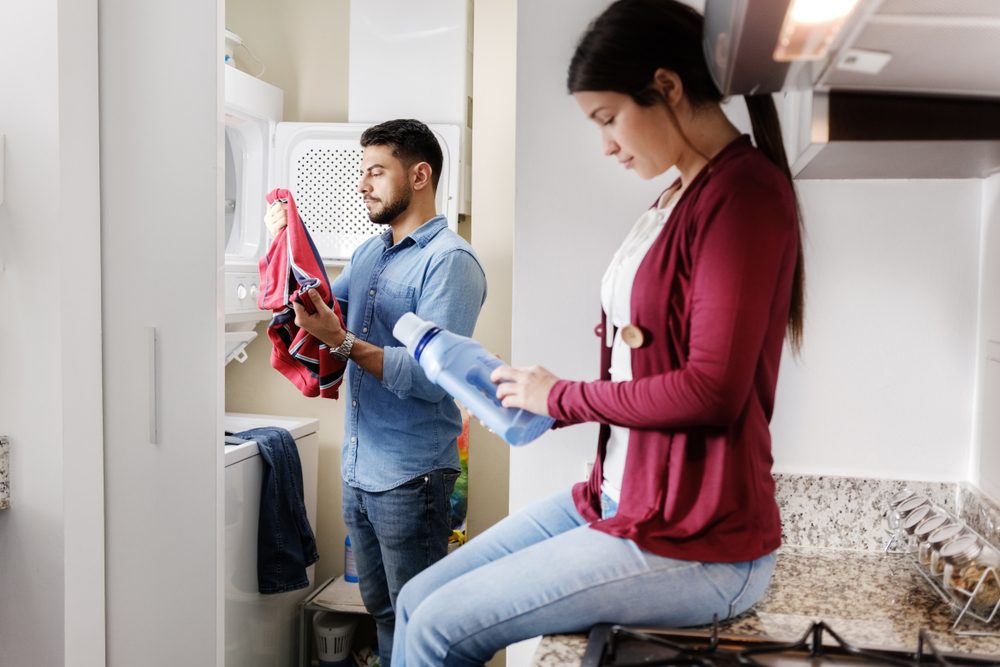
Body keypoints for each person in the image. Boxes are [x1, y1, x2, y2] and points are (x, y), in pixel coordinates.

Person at [390, 1, 805, 664]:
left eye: (609, 119)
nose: (607, 143)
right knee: (416, 600)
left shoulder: (744, 195)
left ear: (666, 87)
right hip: (618, 498)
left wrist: (562, 397)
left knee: (439, 626)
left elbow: (712, 390)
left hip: (701, 541)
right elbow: (637, 370)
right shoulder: (676, 197)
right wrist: (530, 399)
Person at [266, 118, 487, 666]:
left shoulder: (450, 262)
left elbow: (427, 376)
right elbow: (321, 305)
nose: (362, 184)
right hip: (360, 470)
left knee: (421, 619)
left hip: (412, 477)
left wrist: (340, 343)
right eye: (361, 172)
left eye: (375, 171)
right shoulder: (371, 253)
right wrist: (283, 240)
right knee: (383, 612)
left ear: (419, 174)